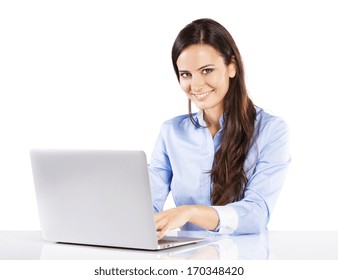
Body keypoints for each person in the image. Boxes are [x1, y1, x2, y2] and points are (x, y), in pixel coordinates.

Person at [148, 18, 290, 240]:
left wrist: (190, 212)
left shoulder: (271, 130)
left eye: (206, 70)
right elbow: (146, 205)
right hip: (189, 261)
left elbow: (256, 214)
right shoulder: (171, 132)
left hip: (245, 262)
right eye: (186, 74)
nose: (195, 85)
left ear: (231, 67)